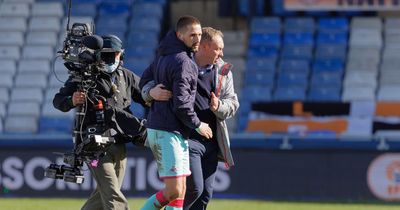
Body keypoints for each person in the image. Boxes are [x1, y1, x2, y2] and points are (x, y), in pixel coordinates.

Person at [142, 27, 239, 210]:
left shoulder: (224, 72)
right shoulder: (178, 62)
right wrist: (150, 92)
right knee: (193, 188)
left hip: (212, 141)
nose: (221, 53)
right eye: (218, 48)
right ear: (203, 46)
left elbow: (233, 103)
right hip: (186, 136)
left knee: (203, 196)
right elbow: (145, 82)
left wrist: (220, 107)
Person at [53, 34, 147, 210]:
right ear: (97, 54)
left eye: (115, 54)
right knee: (113, 196)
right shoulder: (84, 75)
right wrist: (71, 100)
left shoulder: (126, 76)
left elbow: (146, 96)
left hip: (119, 144)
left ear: (121, 54)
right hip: (93, 147)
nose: (111, 59)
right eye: (106, 54)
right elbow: (58, 100)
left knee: (102, 196)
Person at [138, 16, 213, 210]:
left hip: (164, 129)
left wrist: (149, 92)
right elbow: (182, 104)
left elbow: (143, 80)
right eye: (192, 35)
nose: (197, 39)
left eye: (199, 34)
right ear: (180, 35)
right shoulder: (184, 62)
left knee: (179, 191)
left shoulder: (164, 55)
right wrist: (198, 124)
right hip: (168, 132)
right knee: (173, 191)